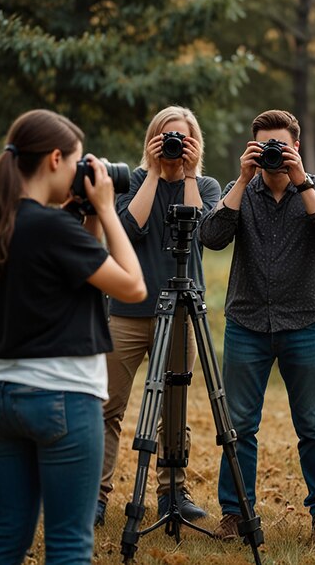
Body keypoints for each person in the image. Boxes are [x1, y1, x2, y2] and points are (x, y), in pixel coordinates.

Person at [0, 109, 147, 565]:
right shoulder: (52, 228)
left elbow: (79, 274)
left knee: (8, 535)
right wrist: (109, 212)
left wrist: (87, 217)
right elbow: (133, 286)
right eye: (77, 162)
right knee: (69, 545)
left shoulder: (1, 224)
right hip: (63, 399)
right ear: (55, 159)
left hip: (5, 397)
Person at [199, 109, 315, 545]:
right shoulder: (237, 190)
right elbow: (211, 237)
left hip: (304, 322)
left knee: (313, 426)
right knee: (239, 426)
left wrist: (301, 181)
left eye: (280, 145)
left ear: (296, 146)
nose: (273, 153)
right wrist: (243, 180)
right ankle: (235, 514)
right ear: (252, 147)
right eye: (265, 145)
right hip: (247, 321)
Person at [96, 105, 221, 526]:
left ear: (194, 142)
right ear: (152, 139)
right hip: (128, 312)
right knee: (108, 406)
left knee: (174, 409)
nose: (172, 144)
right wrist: (152, 170)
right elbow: (130, 228)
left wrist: (186, 173)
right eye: (166, 136)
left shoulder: (204, 184)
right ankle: (95, 496)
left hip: (182, 312)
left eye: (181, 138)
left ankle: (172, 494)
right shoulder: (132, 181)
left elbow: (203, 228)